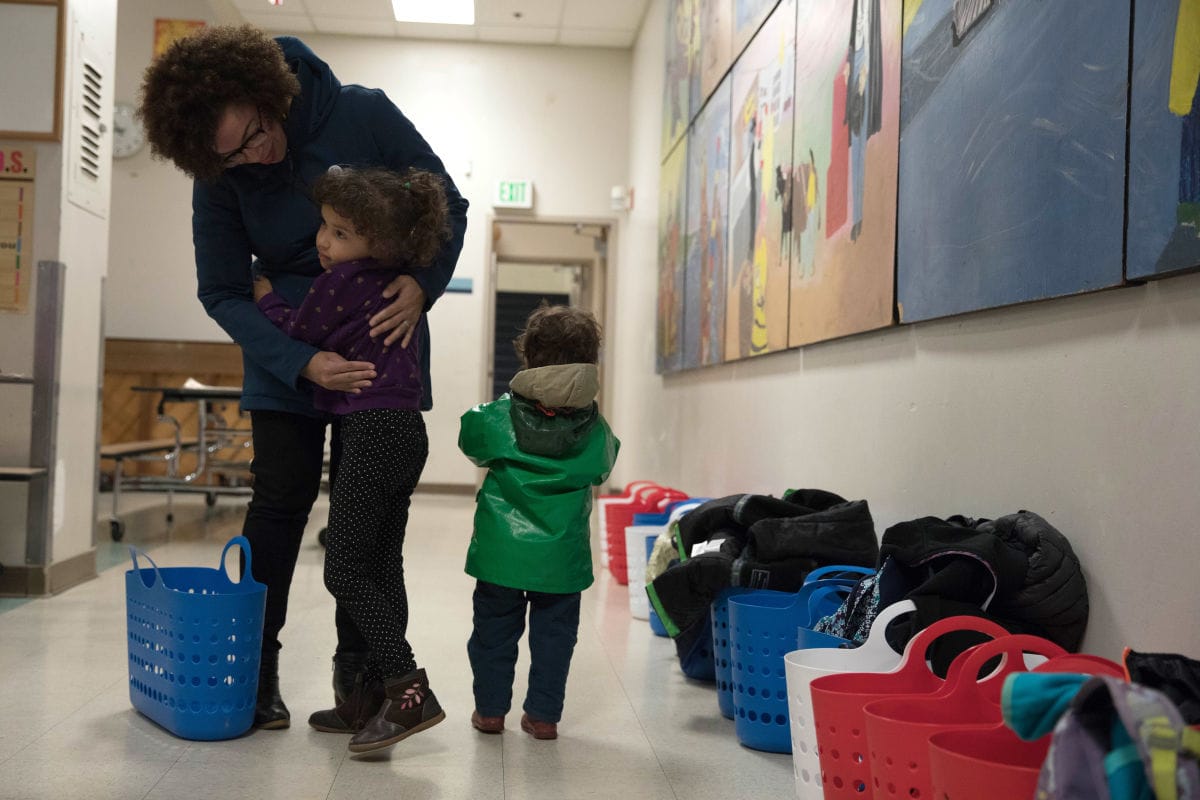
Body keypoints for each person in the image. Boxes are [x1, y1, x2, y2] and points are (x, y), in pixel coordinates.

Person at [138, 24, 468, 729]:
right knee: (279, 504)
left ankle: (365, 688)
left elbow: (448, 202)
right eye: (235, 154)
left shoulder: (360, 112)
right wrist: (298, 361)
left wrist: (422, 281)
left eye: (258, 132)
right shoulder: (219, 175)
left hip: (379, 347)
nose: (258, 154)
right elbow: (224, 289)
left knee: (370, 530)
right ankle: (252, 678)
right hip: (285, 347)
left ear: (269, 94)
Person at [253, 165, 447, 752]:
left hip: (366, 432)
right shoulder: (400, 287)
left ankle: (409, 690)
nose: (323, 241)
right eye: (324, 227)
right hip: (406, 432)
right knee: (383, 564)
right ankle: (367, 699)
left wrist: (264, 296)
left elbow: (300, 329)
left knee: (342, 568)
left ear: (377, 243)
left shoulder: (339, 284)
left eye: (339, 233)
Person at [457, 305, 620, 740]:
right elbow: (603, 468)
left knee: (492, 633)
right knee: (555, 640)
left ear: (528, 357)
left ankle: (491, 712)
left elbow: (469, 441)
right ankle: (543, 717)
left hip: (500, 554)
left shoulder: (498, 416)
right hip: (561, 559)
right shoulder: (595, 428)